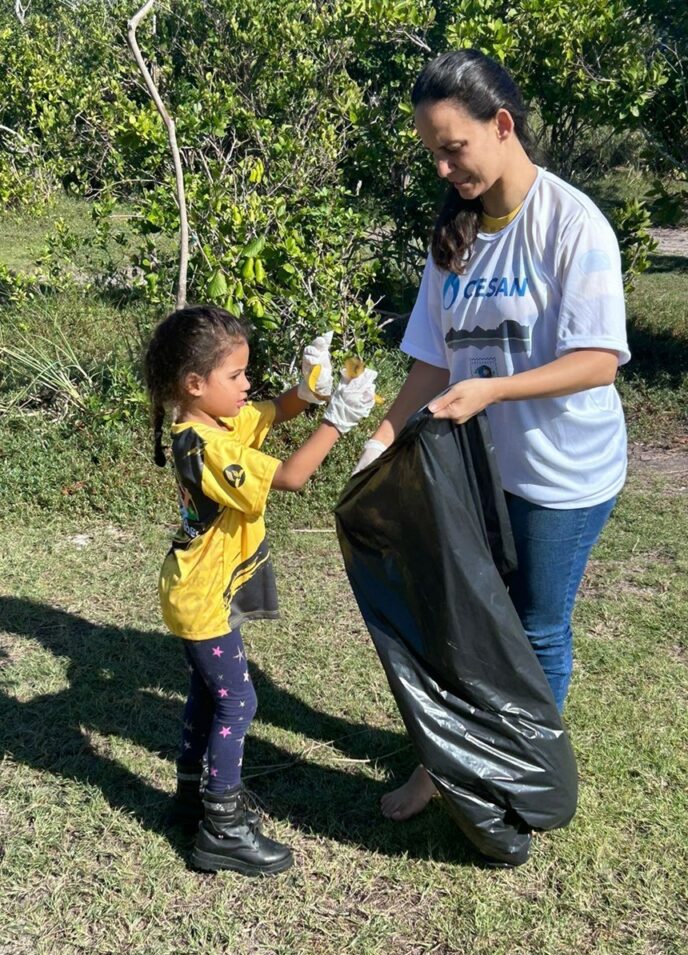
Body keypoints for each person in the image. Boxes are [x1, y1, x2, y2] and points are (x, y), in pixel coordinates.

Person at [352, 50, 630, 822]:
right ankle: (445, 766)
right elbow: (430, 365)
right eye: (431, 153)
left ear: (501, 125)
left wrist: (496, 389)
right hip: (477, 472)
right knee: (467, 623)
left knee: (534, 627)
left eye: (453, 147)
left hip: (560, 474)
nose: (442, 167)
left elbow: (599, 362)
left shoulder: (572, 223)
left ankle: (522, 777)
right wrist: (378, 447)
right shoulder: (456, 233)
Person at [144, 304, 376, 875]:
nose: (248, 385)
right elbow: (294, 477)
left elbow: (273, 412)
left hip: (212, 588)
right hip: (203, 598)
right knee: (238, 701)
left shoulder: (216, 421)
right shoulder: (204, 447)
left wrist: (311, 389)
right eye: (237, 376)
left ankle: (190, 798)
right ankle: (221, 826)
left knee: (208, 692)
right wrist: (338, 423)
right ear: (194, 385)